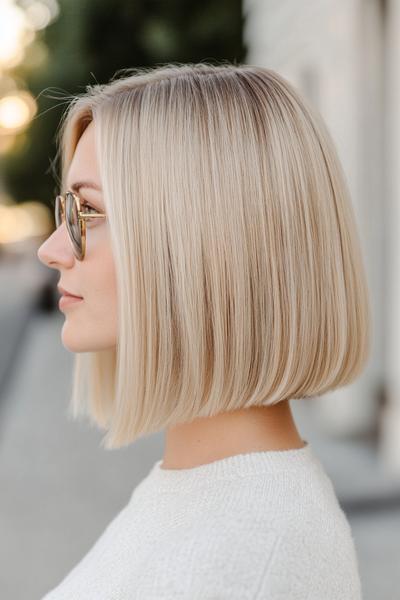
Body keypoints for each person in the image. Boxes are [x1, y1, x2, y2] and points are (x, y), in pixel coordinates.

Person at [37, 62, 371, 599]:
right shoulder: (209, 497)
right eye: (67, 209)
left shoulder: (241, 564)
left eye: (89, 211)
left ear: (204, 245)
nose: (51, 251)